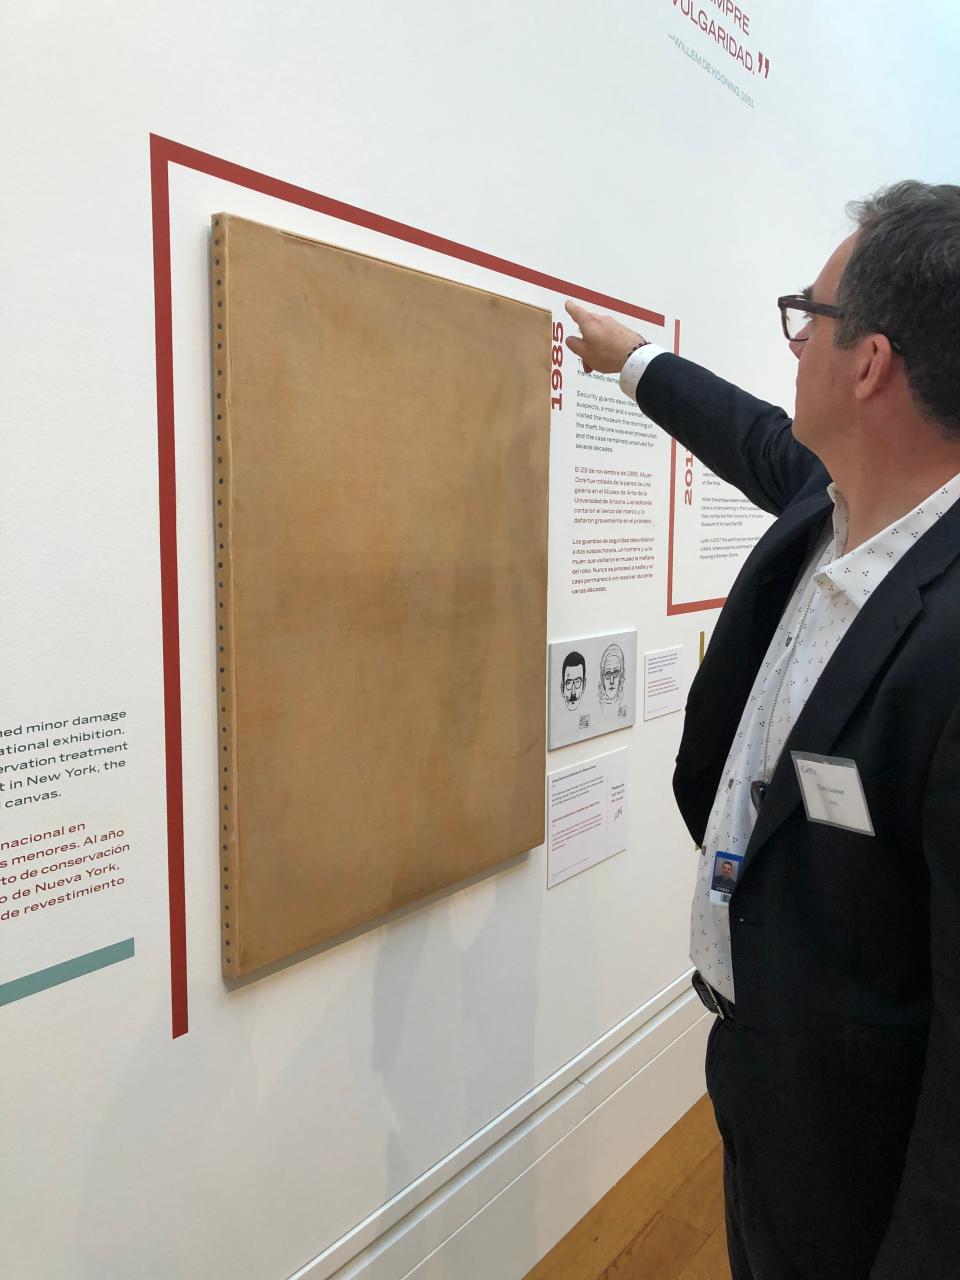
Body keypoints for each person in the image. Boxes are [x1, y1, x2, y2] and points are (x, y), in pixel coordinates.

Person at [565, 181, 960, 1279]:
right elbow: (746, 432)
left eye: (808, 317)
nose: (792, 345)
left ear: (870, 363)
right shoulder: (831, 495)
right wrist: (631, 358)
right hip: (760, 1057)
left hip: (857, 1134)